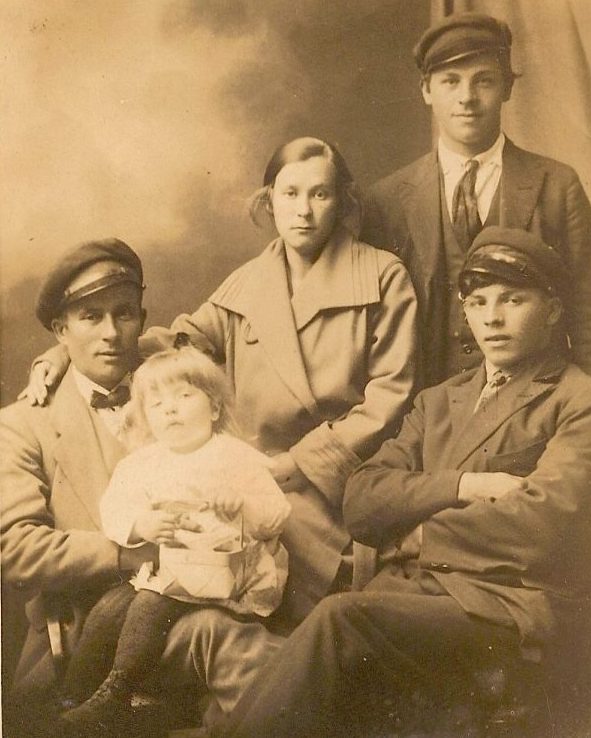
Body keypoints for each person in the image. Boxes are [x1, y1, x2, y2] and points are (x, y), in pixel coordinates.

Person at [220, 227, 591, 738]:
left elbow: (546, 525)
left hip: (509, 610)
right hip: (420, 592)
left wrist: (418, 535)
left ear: (553, 310)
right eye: (478, 303)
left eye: (513, 300)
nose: (492, 318)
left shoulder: (586, 403)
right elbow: (361, 499)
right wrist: (461, 486)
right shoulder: (441, 400)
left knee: (338, 621)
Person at [22, 136, 419, 625]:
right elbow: (176, 342)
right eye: (290, 194)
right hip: (255, 472)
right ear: (269, 201)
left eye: (320, 194)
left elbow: (390, 398)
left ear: (341, 201)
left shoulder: (381, 276)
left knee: (310, 592)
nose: (304, 211)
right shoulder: (247, 284)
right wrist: (67, 352)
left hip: (338, 476)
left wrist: (303, 462)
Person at [0, 240, 283, 736]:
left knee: (232, 646)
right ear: (61, 331)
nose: (111, 333)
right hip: (89, 628)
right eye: (90, 317)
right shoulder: (22, 425)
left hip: (204, 591)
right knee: (222, 643)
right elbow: (16, 548)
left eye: (124, 314)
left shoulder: (172, 381)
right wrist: (130, 552)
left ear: (142, 320)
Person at [362, 12, 591, 391]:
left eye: (483, 80)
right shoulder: (386, 201)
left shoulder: (556, 186)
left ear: (507, 88)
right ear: (427, 90)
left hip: (536, 407)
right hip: (424, 410)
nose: (467, 97)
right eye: (451, 81)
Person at [55, 346, 291, 733]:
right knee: (110, 607)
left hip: (229, 577)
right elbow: (114, 511)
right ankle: (72, 698)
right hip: (171, 573)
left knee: (150, 603)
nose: (170, 409)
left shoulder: (235, 456)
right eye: (157, 403)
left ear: (214, 408)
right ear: (146, 416)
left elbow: (277, 513)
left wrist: (243, 505)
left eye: (183, 396)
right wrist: (142, 524)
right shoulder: (142, 463)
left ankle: (118, 693)